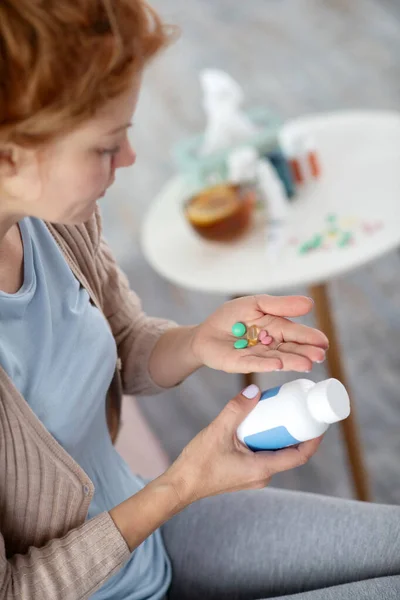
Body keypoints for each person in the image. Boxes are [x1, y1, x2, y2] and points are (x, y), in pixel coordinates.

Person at [0, 1, 399, 599]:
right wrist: (183, 484)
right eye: (106, 147)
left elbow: (123, 339)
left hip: (156, 533)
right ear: (10, 155)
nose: (129, 160)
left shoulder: (51, 219)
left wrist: (195, 342)